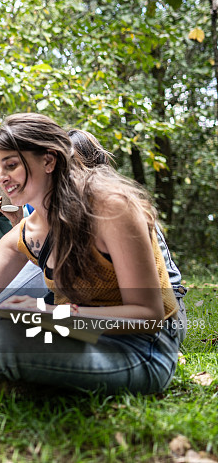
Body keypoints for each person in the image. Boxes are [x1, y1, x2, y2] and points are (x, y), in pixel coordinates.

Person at [0, 113, 183, 397]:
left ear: (48, 160)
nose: (1, 178)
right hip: (79, 337)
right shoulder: (26, 232)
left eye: (10, 165)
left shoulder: (111, 208)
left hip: (142, 349)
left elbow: (149, 315)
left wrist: (50, 315)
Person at [67, 128, 187, 332]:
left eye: (71, 168)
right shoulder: (74, 210)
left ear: (90, 166)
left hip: (168, 314)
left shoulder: (115, 206)